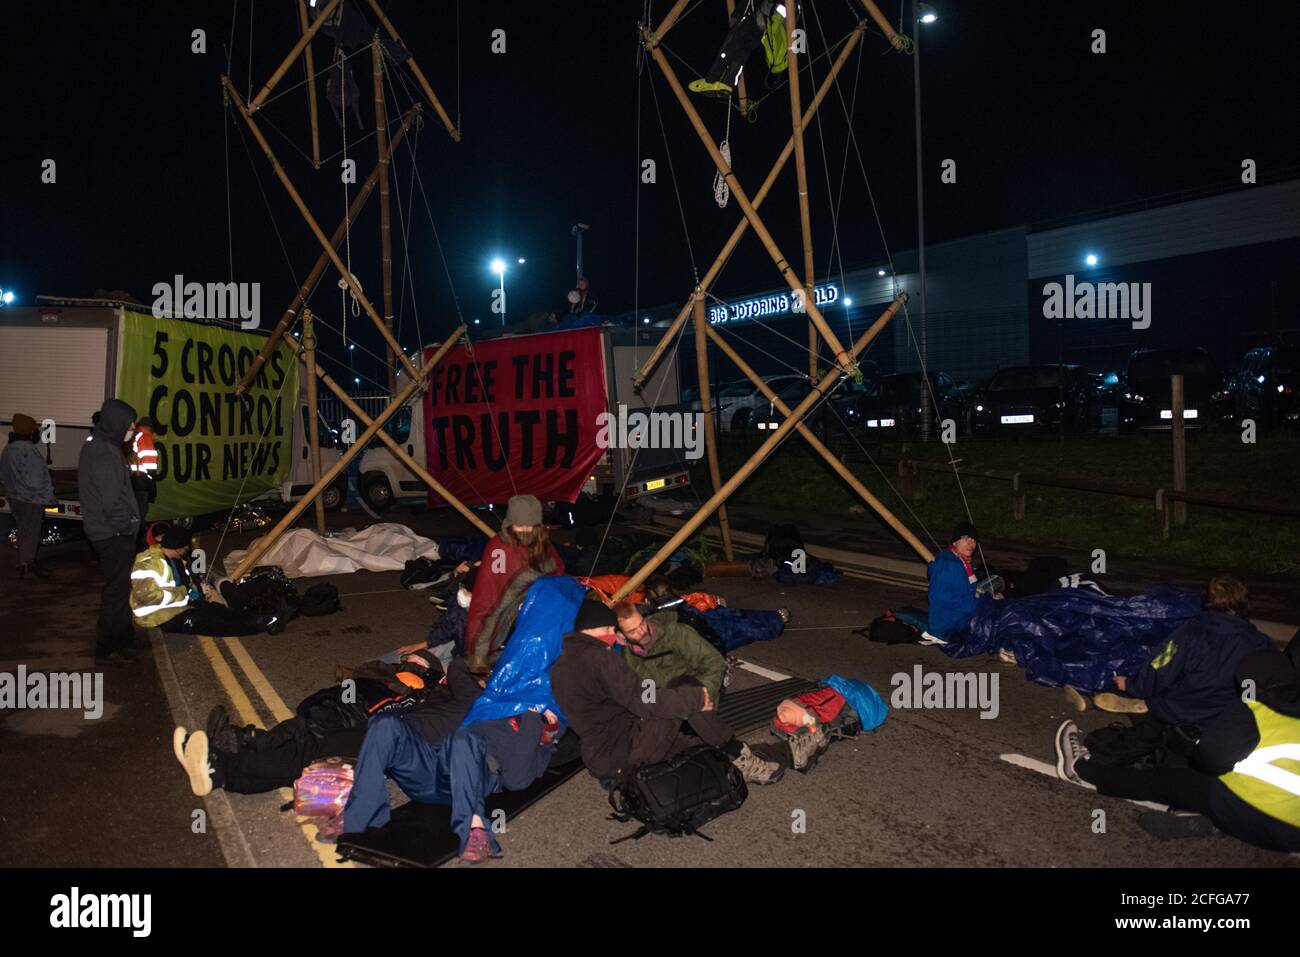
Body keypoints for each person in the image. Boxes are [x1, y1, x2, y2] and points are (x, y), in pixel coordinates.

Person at [1056, 649, 1300, 852]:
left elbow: (1211, 759)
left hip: (1260, 817)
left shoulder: (1253, 712)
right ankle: (1207, 818)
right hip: (1293, 838)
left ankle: (1080, 769)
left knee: (1165, 780)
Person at [341, 657, 559, 863]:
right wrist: (496, 658)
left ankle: (474, 830)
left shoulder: (528, 728)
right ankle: (359, 815)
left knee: (462, 738)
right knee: (384, 724)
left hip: (474, 776)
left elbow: (517, 780)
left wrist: (534, 719)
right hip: (431, 769)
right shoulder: (477, 699)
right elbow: (457, 666)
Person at [550, 599, 785, 787]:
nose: (613, 637)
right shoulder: (602, 658)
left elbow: (622, 702)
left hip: (605, 756)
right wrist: (694, 698)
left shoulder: (560, 667)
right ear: (598, 628)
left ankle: (736, 756)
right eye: (611, 630)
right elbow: (645, 702)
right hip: (627, 752)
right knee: (685, 690)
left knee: (699, 748)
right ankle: (739, 755)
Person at [1077, 575, 1271, 768]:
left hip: (1177, 710)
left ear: (1208, 601)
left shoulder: (1189, 633)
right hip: (1224, 719)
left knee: (1140, 697)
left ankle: (1101, 702)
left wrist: (1129, 684)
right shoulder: (1261, 643)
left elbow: (1160, 666)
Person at [464, 495, 565, 674]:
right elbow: (487, 601)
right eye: (520, 526)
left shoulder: (541, 542)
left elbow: (558, 573)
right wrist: (479, 654)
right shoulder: (500, 548)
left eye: (530, 526)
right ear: (509, 523)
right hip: (510, 619)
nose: (525, 531)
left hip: (538, 610)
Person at [130, 524, 283, 636]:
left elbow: (184, 584)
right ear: (179, 547)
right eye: (185, 548)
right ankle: (263, 624)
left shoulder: (175, 560)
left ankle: (259, 618)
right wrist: (184, 595)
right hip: (159, 616)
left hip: (178, 607)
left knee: (219, 611)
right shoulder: (149, 563)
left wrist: (196, 593)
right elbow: (147, 597)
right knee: (213, 624)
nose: (186, 552)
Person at [80, 398, 143, 664]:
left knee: (119, 589)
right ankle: (107, 649)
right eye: (130, 424)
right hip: (113, 534)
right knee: (116, 593)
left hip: (110, 532)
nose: (133, 428)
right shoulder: (104, 452)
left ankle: (123, 639)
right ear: (117, 422)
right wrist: (126, 525)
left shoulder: (101, 446)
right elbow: (111, 501)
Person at [613, 600, 726, 704]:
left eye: (642, 624)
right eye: (633, 632)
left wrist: (703, 694)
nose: (642, 632)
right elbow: (639, 691)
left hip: (696, 694)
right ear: (621, 636)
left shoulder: (675, 633)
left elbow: (714, 661)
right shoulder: (628, 657)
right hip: (664, 705)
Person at [688, 0, 788, 98]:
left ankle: (711, 80)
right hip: (764, 26)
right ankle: (727, 84)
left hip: (758, 18)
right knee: (742, 52)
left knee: (730, 47)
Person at [0, 412, 56, 579]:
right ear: (29, 431)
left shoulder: (9, 449)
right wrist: (47, 496)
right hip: (31, 500)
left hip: (15, 497)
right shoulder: (29, 451)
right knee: (31, 532)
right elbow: (35, 480)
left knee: (23, 530)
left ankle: (24, 562)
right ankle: (27, 564)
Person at [923, 522, 984, 645]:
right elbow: (939, 597)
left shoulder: (965, 563)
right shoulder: (949, 564)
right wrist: (977, 605)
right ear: (955, 542)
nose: (971, 543)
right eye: (966, 539)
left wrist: (984, 596)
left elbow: (966, 591)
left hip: (960, 618)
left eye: (973, 540)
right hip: (949, 625)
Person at [128, 417, 160, 549]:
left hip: (134, 481)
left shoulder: (135, 435)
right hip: (142, 482)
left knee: (135, 515)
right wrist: (151, 479)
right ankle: (140, 547)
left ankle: (134, 545)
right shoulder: (145, 436)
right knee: (141, 516)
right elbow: (149, 464)